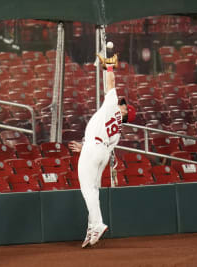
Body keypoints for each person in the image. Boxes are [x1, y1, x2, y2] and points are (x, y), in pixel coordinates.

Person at [68, 54, 136, 248]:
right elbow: (102, 142)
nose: (122, 104)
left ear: (124, 113)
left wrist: (109, 67)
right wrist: (86, 146)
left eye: (124, 106)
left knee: (87, 189)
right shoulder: (119, 132)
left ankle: (97, 224)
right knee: (94, 190)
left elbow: (111, 83)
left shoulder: (112, 106)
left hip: (94, 149)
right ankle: (91, 227)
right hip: (102, 151)